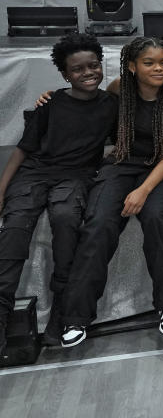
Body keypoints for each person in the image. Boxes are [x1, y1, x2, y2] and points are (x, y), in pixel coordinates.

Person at [60, 37, 163, 346]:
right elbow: (89, 110)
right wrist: (49, 99)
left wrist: (143, 191)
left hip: (159, 168)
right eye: (149, 63)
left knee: (156, 218)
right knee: (98, 224)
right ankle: (76, 316)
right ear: (132, 66)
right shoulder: (119, 88)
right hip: (120, 164)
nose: (159, 68)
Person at [0, 34, 117, 351]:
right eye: (78, 69)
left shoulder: (111, 105)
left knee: (66, 221)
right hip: (34, 175)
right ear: (65, 75)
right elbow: (22, 151)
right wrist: (1, 191)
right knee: (14, 229)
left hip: (76, 177)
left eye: (93, 65)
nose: (88, 73)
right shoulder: (50, 103)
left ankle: (62, 313)